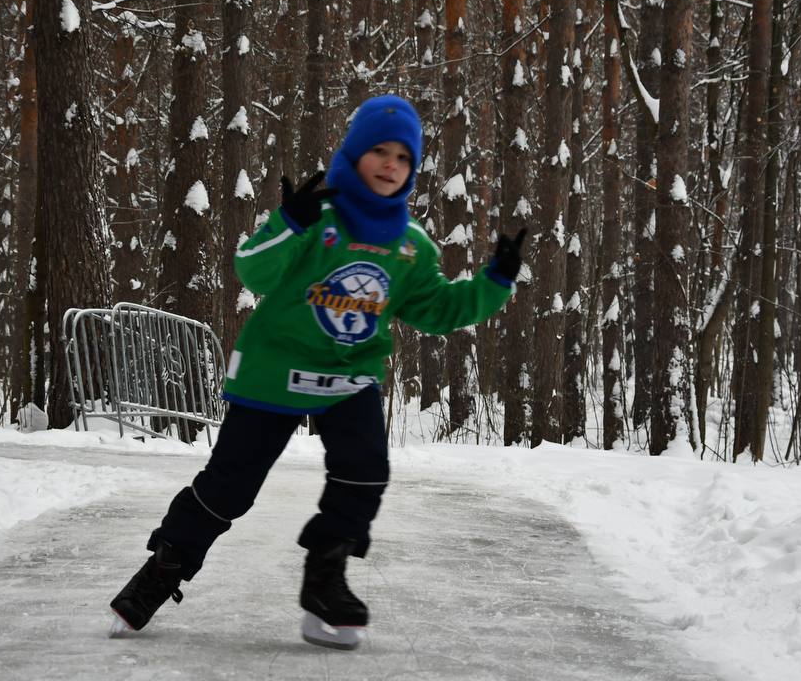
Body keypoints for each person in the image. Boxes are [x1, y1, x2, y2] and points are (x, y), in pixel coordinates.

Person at [110, 94, 525, 649]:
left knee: (365, 473)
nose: (389, 164)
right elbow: (252, 269)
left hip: (349, 377)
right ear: (353, 155)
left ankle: (325, 580)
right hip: (273, 371)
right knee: (229, 487)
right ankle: (161, 570)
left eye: (403, 157)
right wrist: (288, 223)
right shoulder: (316, 219)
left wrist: (494, 282)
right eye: (378, 150)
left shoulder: (411, 246)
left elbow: (439, 310)